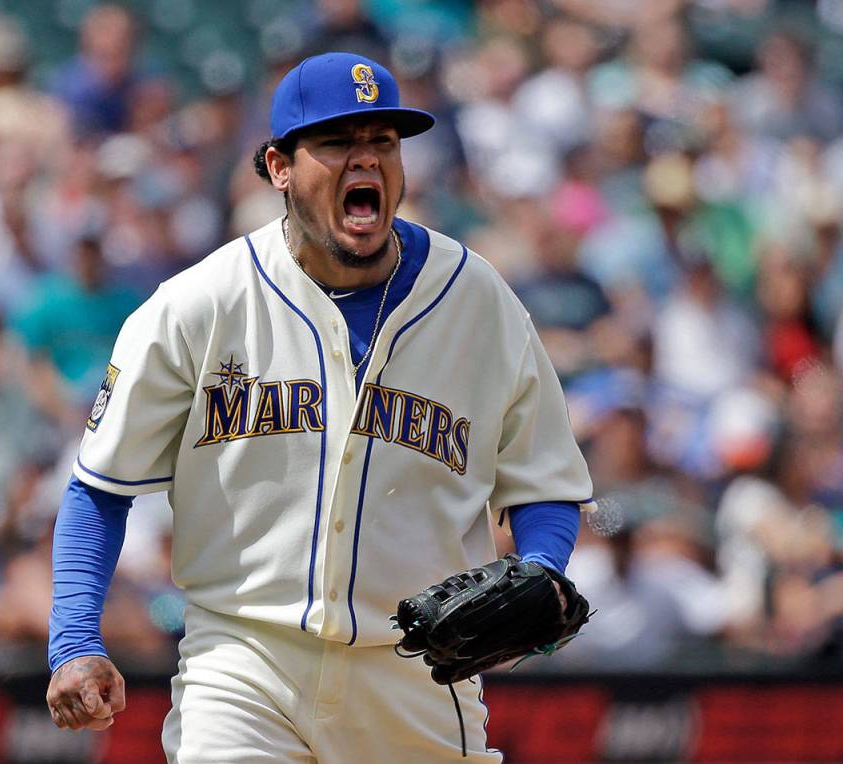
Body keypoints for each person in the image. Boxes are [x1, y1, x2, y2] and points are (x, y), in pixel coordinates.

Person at [46, 52, 593, 762]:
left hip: (419, 675)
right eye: (338, 142)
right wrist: (75, 641)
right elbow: (100, 485)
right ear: (278, 166)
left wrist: (544, 569)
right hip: (244, 663)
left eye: (384, 142)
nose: (365, 160)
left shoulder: (477, 299)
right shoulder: (200, 303)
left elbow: (545, 484)